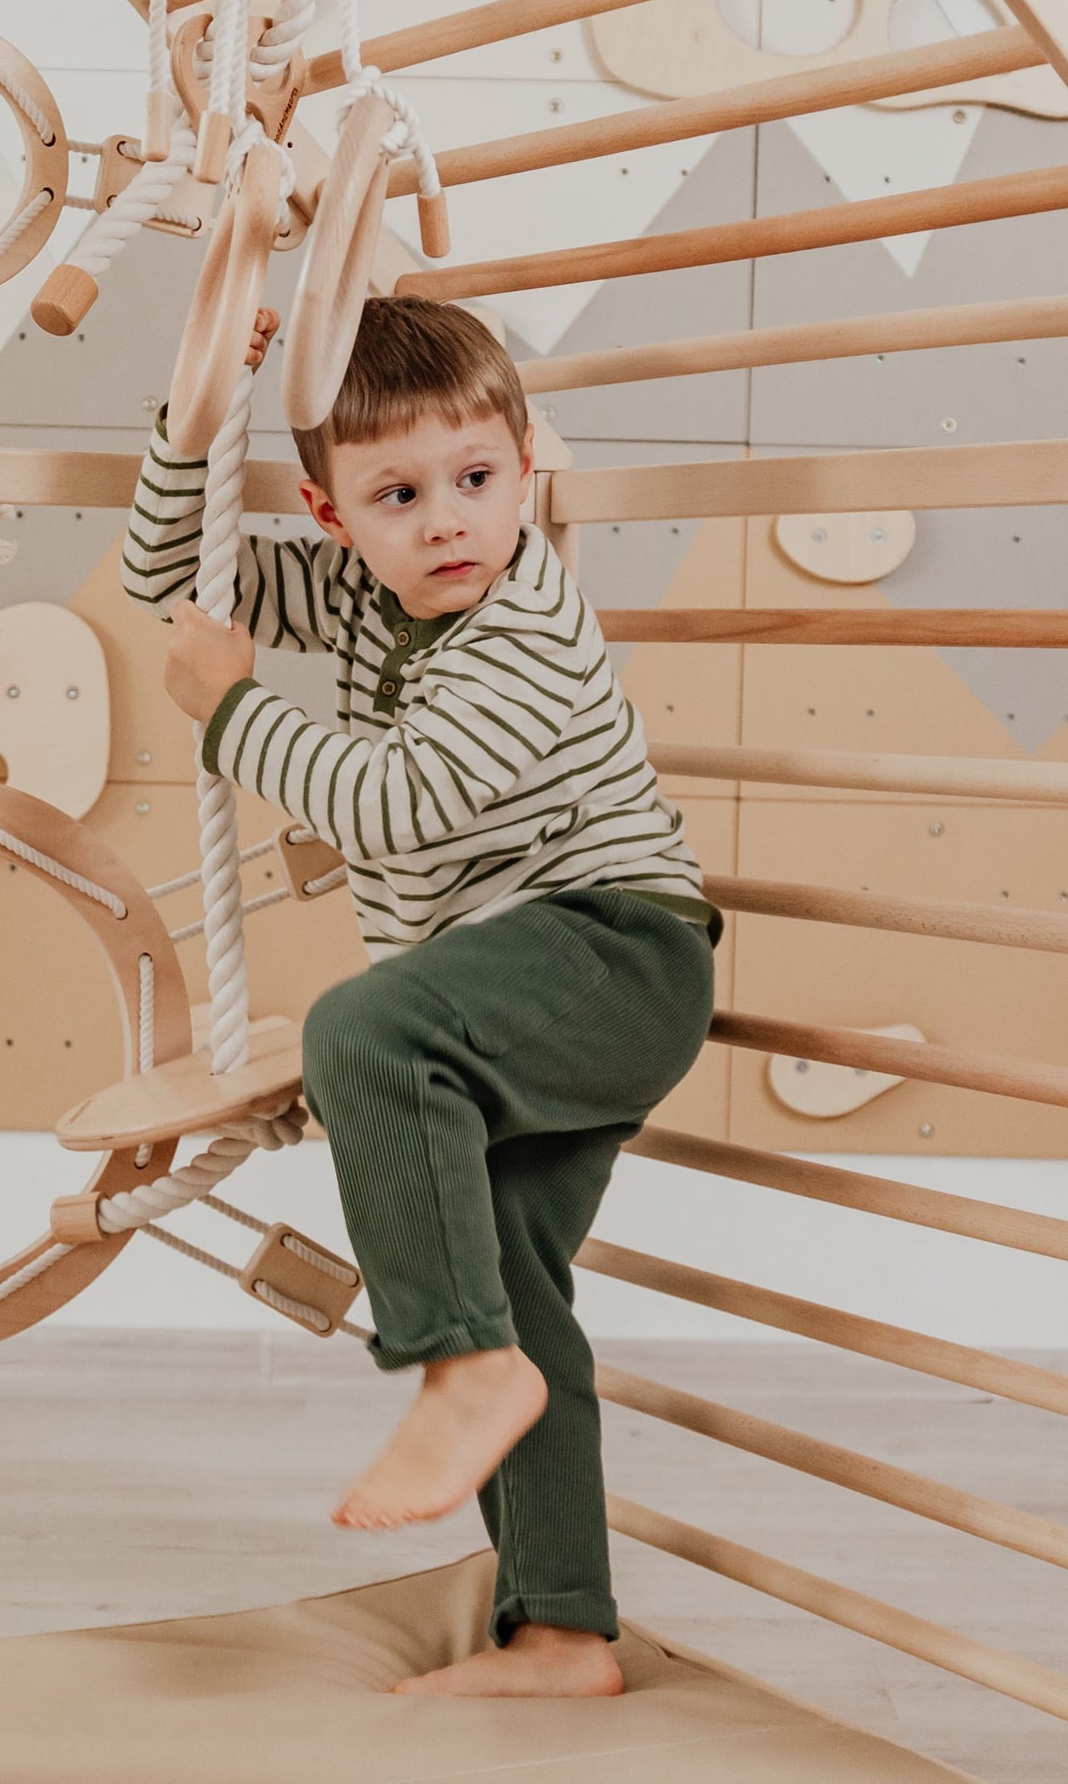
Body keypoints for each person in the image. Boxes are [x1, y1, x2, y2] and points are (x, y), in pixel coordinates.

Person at [122, 294, 718, 1698]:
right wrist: (196, 403)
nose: (447, 522)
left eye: (476, 477)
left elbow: (397, 804)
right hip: (521, 987)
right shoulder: (359, 591)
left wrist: (230, 711)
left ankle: (460, 1367)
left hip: (614, 954)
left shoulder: (524, 628)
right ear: (332, 517)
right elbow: (171, 573)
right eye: (399, 495)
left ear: (525, 465)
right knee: (510, 1279)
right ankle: (562, 1630)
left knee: (362, 1029)